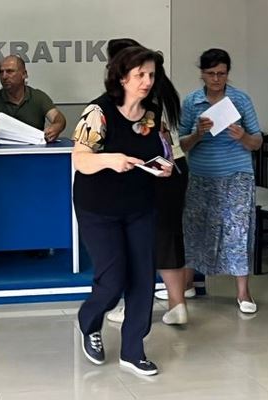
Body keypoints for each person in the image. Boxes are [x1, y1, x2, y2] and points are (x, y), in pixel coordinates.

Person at [73, 46, 173, 376]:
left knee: (143, 279)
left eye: (151, 75)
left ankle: (133, 349)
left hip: (140, 205)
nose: (147, 81)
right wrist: (109, 160)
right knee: (113, 279)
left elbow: (164, 151)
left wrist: (165, 167)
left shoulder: (152, 114)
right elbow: (80, 160)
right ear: (121, 77)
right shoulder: (98, 112)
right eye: (140, 74)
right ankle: (89, 321)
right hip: (98, 207)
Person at [103, 39, 190, 326]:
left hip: (151, 169)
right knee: (168, 237)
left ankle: (133, 306)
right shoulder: (162, 87)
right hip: (175, 167)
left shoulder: (139, 96)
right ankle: (177, 304)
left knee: (137, 238)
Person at [179, 49, 262, 314]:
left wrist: (242, 137)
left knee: (238, 230)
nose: (216, 79)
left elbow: (257, 141)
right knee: (194, 228)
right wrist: (197, 134)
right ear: (202, 74)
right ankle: (188, 283)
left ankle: (243, 292)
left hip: (237, 174)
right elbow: (181, 144)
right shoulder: (192, 102)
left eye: (222, 74)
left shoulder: (240, 99)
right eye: (211, 73)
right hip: (201, 174)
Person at [0, 55, 66, 142]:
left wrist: (57, 126)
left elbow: (58, 117)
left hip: (34, 148)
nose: (4, 76)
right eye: (1, 72)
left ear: (24, 74)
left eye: (10, 71)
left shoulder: (38, 97)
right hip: (2, 149)